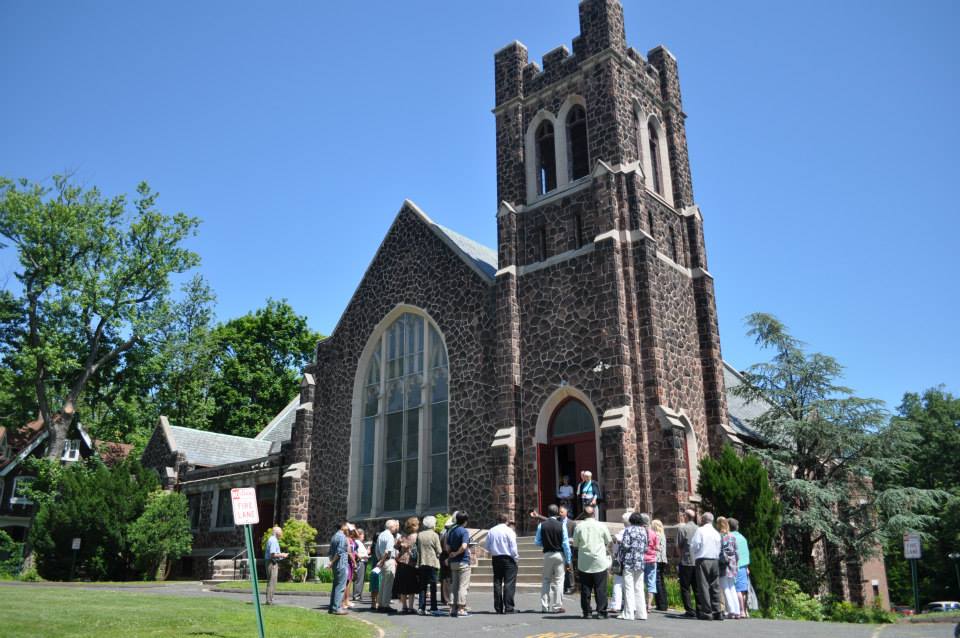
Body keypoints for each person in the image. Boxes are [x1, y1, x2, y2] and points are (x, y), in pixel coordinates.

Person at [572, 504, 612, 619]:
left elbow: (575, 544)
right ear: (594, 513)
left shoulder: (579, 527)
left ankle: (587, 612)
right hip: (599, 560)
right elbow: (608, 540)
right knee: (600, 588)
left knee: (585, 588)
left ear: (584, 514)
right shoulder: (601, 525)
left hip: (584, 560)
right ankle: (601, 612)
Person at [534, 504, 572, 613]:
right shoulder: (561, 525)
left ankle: (544, 606)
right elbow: (565, 544)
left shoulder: (542, 525)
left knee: (546, 580)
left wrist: (545, 543)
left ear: (548, 513)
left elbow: (536, 541)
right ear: (557, 513)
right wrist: (568, 560)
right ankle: (557, 606)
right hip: (559, 554)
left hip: (547, 554)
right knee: (559, 581)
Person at [690, 512, 722, 621]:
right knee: (715, 586)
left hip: (703, 559)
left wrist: (695, 555)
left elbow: (694, 545)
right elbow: (719, 547)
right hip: (715, 559)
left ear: (703, 520)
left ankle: (707, 612)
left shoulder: (700, 530)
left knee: (703, 586)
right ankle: (717, 611)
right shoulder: (716, 532)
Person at [485, 513, 519, 614]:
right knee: (509, 583)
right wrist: (516, 557)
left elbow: (487, 547)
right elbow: (513, 547)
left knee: (497, 582)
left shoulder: (491, 531)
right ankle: (509, 607)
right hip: (508, 558)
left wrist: (494, 550)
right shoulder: (509, 531)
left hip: (496, 558)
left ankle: (498, 607)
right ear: (507, 520)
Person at [617, 511, 648, 621]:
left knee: (628, 587)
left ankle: (629, 613)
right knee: (639, 588)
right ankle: (642, 613)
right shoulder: (643, 531)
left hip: (629, 561)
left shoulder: (628, 530)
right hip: (640, 562)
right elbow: (646, 547)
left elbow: (625, 545)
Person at [445, 510, 472, 618]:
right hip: (463, 561)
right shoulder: (464, 531)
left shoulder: (451, 530)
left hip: (453, 562)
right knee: (463, 586)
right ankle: (461, 608)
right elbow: (464, 546)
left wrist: (451, 553)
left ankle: (452, 608)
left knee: (454, 586)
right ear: (465, 521)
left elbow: (447, 546)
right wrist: (457, 553)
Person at [393, 517, 421, 614]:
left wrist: (400, 544)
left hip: (401, 562)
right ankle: (410, 607)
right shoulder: (416, 537)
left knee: (403, 586)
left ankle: (404, 607)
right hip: (411, 564)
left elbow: (395, 546)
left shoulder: (403, 536)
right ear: (414, 526)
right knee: (412, 586)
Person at [416, 515, 442, 615]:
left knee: (422, 586)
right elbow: (439, 550)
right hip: (432, 562)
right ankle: (433, 607)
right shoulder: (434, 535)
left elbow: (418, 548)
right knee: (433, 586)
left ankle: (421, 607)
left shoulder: (420, 535)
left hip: (422, 562)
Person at [675, 508, 699, 617]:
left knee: (685, 587)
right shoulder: (699, 529)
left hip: (686, 561)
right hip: (697, 561)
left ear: (686, 516)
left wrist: (681, 558)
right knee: (697, 587)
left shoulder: (682, 529)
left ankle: (689, 610)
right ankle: (700, 608)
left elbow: (678, 546)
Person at [609, 510, 633, 614]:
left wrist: (614, 555)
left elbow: (614, 546)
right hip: (632, 561)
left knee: (618, 583)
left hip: (621, 560)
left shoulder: (621, 533)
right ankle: (631, 604)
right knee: (631, 583)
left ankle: (616, 605)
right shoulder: (636, 532)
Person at [717, 516, 741, 619]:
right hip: (733, 564)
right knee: (732, 587)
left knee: (725, 587)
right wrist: (735, 563)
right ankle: (737, 611)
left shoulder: (719, 536)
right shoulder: (732, 536)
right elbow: (737, 552)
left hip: (723, 564)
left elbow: (718, 551)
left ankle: (731, 610)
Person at [375, 519, 400, 612]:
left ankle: (380, 604)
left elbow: (377, 549)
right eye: (395, 526)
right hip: (388, 561)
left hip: (382, 561)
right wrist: (382, 560)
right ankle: (385, 605)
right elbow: (388, 551)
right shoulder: (389, 536)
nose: (396, 528)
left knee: (382, 584)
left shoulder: (381, 535)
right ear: (391, 527)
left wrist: (380, 560)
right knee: (388, 584)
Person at [729, 518, 751, 618]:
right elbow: (746, 553)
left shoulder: (730, 537)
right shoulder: (742, 538)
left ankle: (740, 610)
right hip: (743, 566)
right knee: (743, 590)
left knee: (736, 590)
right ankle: (745, 611)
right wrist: (747, 567)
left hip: (734, 566)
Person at [328, 519, 351, 615]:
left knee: (336, 586)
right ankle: (336, 608)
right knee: (340, 587)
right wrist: (332, 562)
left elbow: (330, 552)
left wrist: (332, 562)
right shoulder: (342, 537)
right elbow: (339, 552)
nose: (348, 527)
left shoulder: (334, 536)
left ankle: (332, 607)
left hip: (336, 565)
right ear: (342, 527)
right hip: (341, 565)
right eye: (347, 525)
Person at [264, 525, 288, 605]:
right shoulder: (273, 540)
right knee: (272, 581)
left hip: (271, 562)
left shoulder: (272, 539)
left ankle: (269, 600)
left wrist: (281, 554)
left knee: (272, 581)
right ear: (277, 532)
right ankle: (269, 601)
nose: (282, 534)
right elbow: (272, 554)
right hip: (272, 562)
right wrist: (282, 555)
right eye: (281, 532)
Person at [640, 513, 659, 612]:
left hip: (641, 560)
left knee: (639, 583)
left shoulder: (639, 532)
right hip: (651, 560)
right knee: (651, 583)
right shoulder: (653, 533)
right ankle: (649, 605)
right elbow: (657, 547)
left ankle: (641, 603)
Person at [652, 519, 669, 612]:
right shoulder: (663, 535)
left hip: (657, 559)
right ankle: (663, 603)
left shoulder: (656, 535)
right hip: (663, 560)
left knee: (657, 581)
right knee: (661, 581)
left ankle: (661, 604)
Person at [559, 505, 576, 594]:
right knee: (561, 568)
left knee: (569, 567)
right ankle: (564, 586)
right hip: (560, 548)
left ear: (566, 512)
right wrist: (538, 516)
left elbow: (575, 537)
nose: (560, 513)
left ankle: (571, 586)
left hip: (569, 548)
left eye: (562, 512)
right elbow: (548, 519)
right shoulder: (558, 521)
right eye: (559, 512)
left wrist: (571, 540)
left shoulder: (572, 523)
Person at [342, 524, 357, 610]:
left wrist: (353, 528)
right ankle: (343, 601)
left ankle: (346, 600)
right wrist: (354, 562)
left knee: (349, 582)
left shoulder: (351, 539)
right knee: (346, 583)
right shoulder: (347, 539)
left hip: (350, 563)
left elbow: (357, 535)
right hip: (348, 562)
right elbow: (349, 552)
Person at [351, 528, 369, 603]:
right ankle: (356, 595)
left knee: (361, 579)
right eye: (363, 535)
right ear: (359, 535)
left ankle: (359, 594)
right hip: (360, 561)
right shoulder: (357, 542)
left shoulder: (361, 543)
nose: (364, 537)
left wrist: (367, 552)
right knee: (359, 579)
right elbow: (355, 552)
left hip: (363, 561)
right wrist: (361, 556)